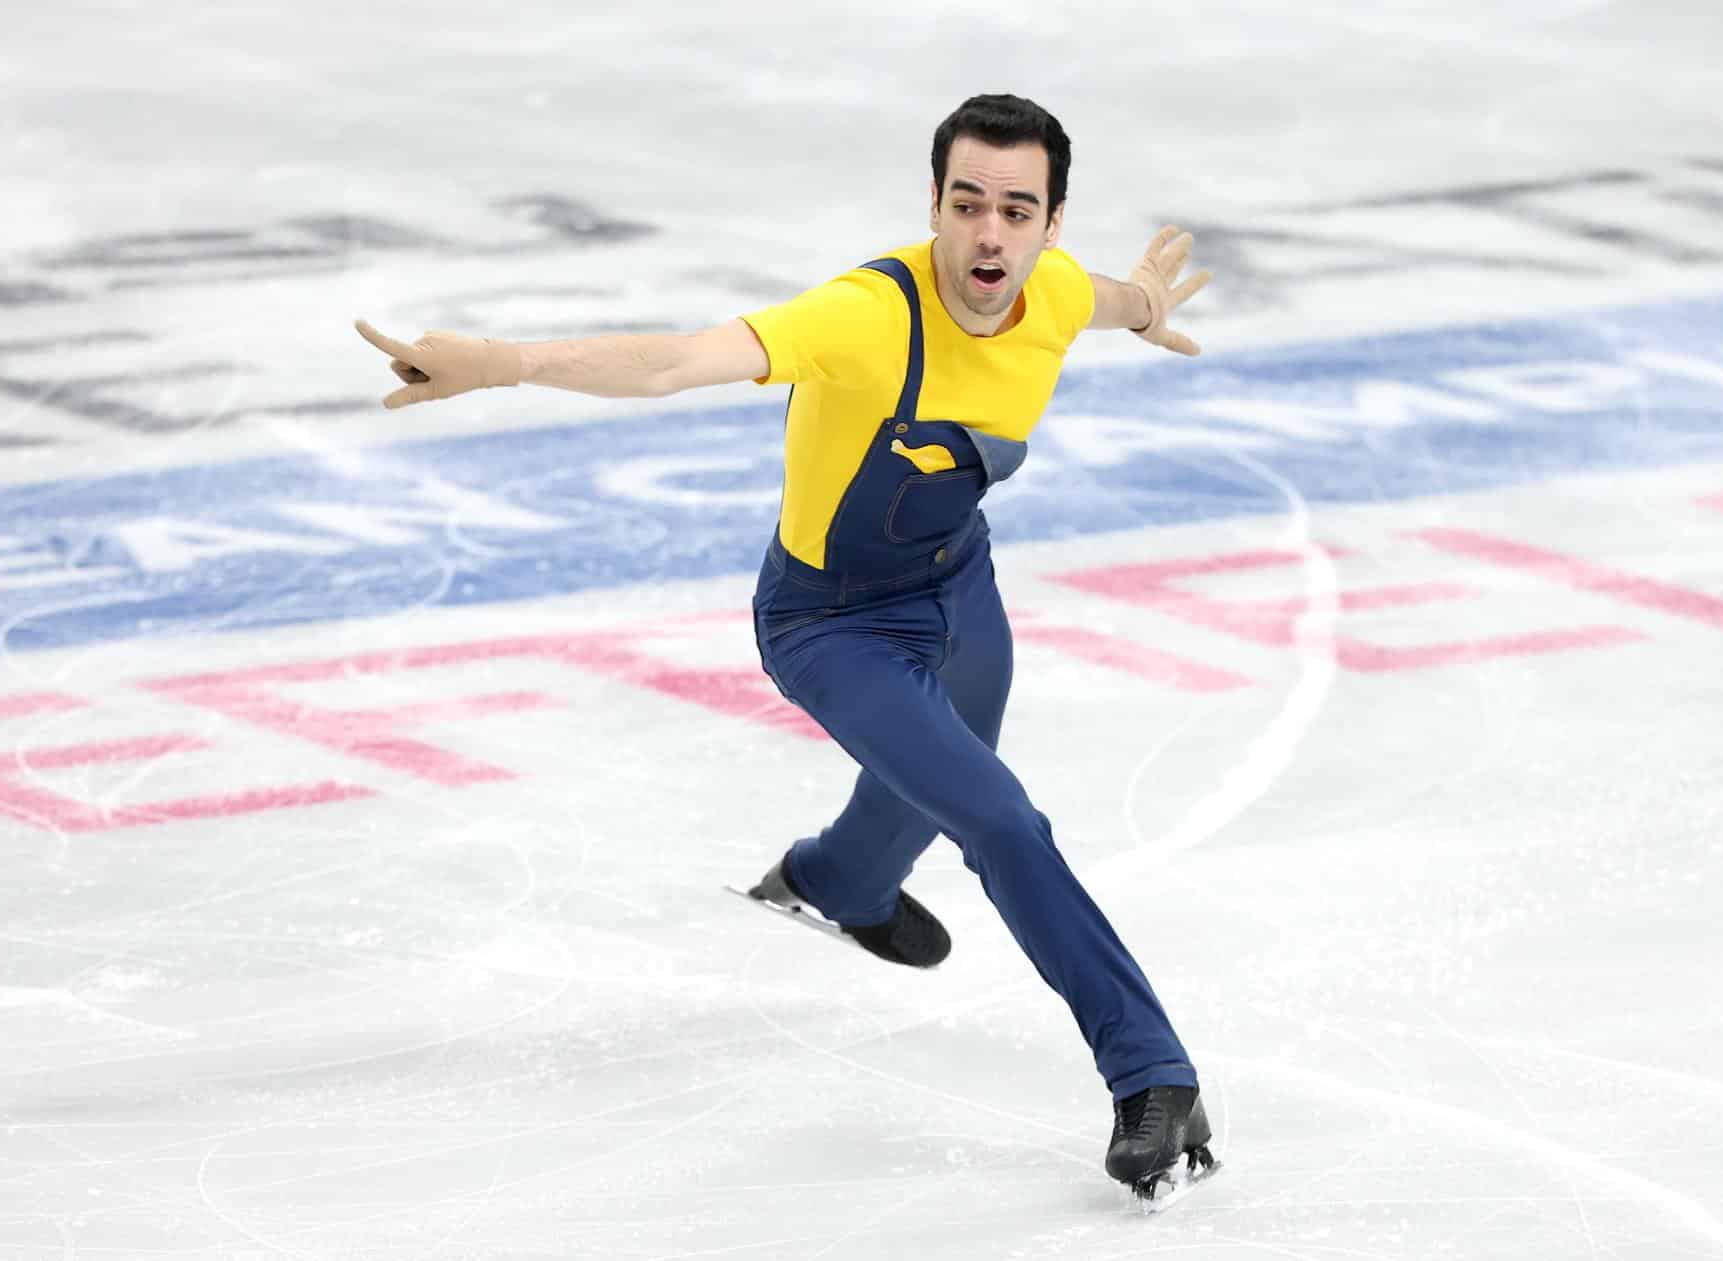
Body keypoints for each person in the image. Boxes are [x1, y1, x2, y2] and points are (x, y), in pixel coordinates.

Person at [355, 93, 1217, 1198]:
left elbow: (1098, 298)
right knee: (998, 816)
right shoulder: (867, 314)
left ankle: (832, 880)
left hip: (964, 585)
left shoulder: (1049, 289)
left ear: (1051, 222)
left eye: (1016, 209)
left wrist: (1144, 301)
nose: (988, 234)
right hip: (833, 623)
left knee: (928, 791)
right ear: (937, 207)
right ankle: (1152, 1073)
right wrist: (507, 361)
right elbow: (672, 361)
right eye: (967, 205)